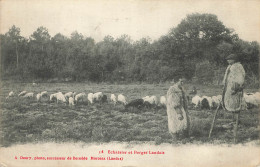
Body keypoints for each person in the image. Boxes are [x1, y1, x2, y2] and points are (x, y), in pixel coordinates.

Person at [222, 53, 246, 143]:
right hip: (229, 88)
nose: (228, 60)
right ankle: (233, 122)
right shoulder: (231, 66)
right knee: (231, 105)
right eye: (227, 59)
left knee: (235, 105)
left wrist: (235, 89)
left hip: (234, 90)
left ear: (234, 59)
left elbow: (239, 79)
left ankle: (236, 122)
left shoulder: (237, 67)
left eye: (229, 59)